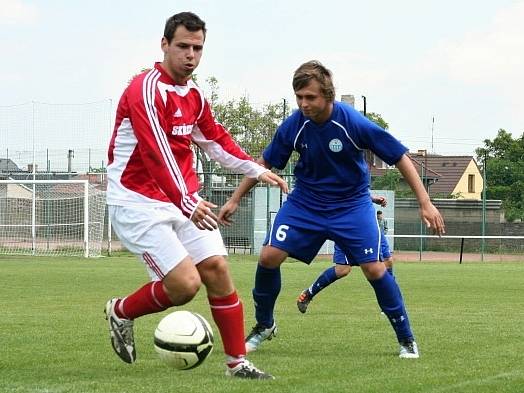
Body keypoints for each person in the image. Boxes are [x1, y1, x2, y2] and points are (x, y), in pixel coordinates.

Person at [218, 60, 445, 359]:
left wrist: (425, 202)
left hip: (351, 206)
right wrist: (235, 199)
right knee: (269, 256)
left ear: (328, 96)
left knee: (375, 268)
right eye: (299, 97)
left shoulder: (352, 123)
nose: (303, 103)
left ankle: (406, 340)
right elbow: (263, 164)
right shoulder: (294, 125)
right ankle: (264, 325)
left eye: (310, 97)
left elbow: (399, 156)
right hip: (306, 203)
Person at [105, 11, 288, 380]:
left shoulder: (195, 95)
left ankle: (237, 363)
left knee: (218, 269)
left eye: (198, 48)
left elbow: (216, 140)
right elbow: (157, 154)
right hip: (138, 200)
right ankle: (121, 311)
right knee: (186, 286)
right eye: (183, 46)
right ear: (164, 45)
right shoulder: (143, 89)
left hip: (184, 198)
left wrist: (256, 169)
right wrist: (187, 203)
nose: (191, 55)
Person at [296, 196, 395, 314]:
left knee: (387, 261)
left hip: (369, 226)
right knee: (342, 270)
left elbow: (358, 189)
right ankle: (309, 293)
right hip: (345, 227)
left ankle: (390, 304)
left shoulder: (356, 180)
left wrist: (373, 199)